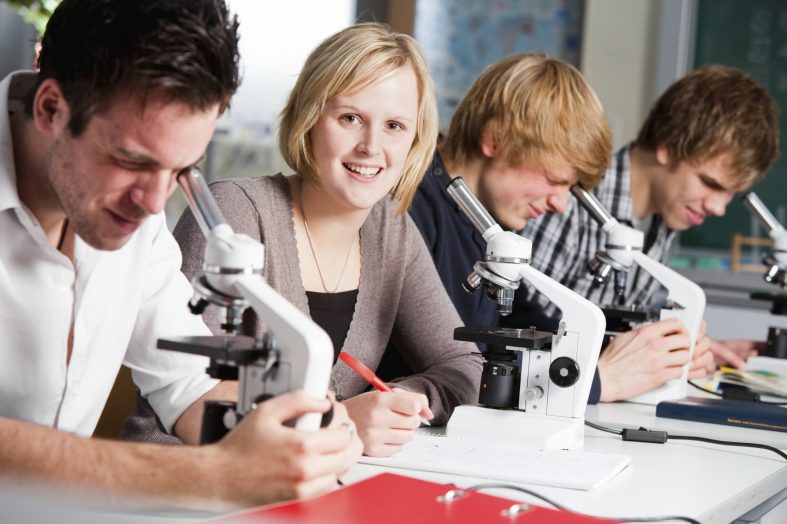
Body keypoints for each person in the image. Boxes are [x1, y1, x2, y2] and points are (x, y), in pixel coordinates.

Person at [0, 0, 361, 510]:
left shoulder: (134, 219)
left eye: (180, 170)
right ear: (51, 109)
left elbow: (186, 384)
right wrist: (207, 474)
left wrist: (291, 431)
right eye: (130, 161)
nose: (152, 203)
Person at [171, 23, 482, 458]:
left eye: (394, 125)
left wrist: (401, 401)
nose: (371, 146)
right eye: (350, 118)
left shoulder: (391, 230)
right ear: (310, 117)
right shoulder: (232, 215)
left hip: (316, 486)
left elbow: (464, 366)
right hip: (187, 485)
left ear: (415, 142)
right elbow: (178, 396)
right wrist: (336, 422)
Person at [399, 53, 713, 405]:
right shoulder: (412, 207)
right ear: (495, 140)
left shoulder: (488, 222)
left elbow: (526, 320)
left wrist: (649, 353)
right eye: (553, 180)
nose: (560, 205)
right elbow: (455, 368)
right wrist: (597, 381)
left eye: (570, 188)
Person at [519, 65, 779, 399]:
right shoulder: (569, 198)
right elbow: (517, 330)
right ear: (668, 146)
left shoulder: (664, 218)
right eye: (710, 183)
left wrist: (681, 352)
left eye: (730, 193)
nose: (718, 208)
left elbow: (621, 336)